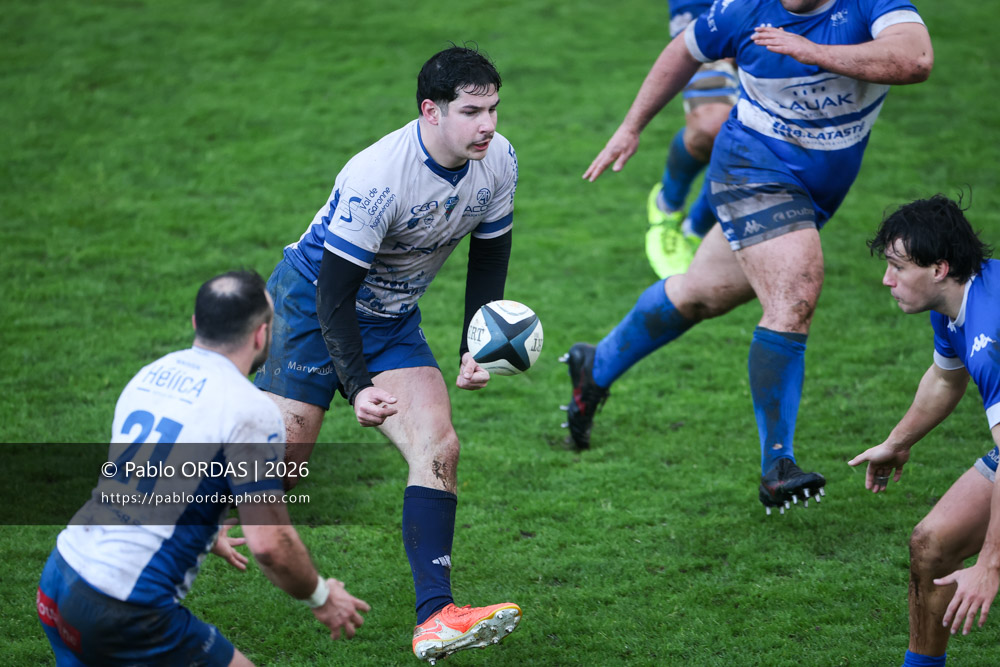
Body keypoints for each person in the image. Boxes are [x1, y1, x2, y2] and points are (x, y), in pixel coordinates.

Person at [569, 0, 933, 514]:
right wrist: (632, 126)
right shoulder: (745, 11)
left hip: (819, 188)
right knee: (795, 296)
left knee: (700, 295)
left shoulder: (871, 6)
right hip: (752, 169)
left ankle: (595, 366)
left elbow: (916, 60)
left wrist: (815, 52)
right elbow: (684, 49)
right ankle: (777, 466)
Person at [252, 46, 521, 663]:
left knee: (439, 446)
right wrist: (358, 385)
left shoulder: (498, 161)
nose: (489, 125)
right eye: (473, 111)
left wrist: (472, 346)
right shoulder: (379, 177)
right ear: (431, 111)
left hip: (392, 316)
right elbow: (335, 294)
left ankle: (436, 616)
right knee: (281, 467)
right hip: (315, 303)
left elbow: (490, 255)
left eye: (494, 109)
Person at [37, 270, 369, 666]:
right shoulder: (250, 409)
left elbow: (147, 482)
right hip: (124, 604)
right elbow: (270, 544)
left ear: (197, 324)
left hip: (60, 575)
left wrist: (207, 528)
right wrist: (321, 595)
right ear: (262, 335)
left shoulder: (149, 376)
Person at [849, 195, 998, 667]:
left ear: (939, 267)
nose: (885, 279)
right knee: (931, 547)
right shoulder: (955, 301)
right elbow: (944, 379)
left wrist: (989, 567)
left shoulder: (991, 333)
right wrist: (897, 443)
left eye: (897, 266)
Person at [646, 0, 739, 279]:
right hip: (706, 9)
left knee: (753, 141)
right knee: (712, 125)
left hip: (792, 14)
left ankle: (695, 232)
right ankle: (667, 207)